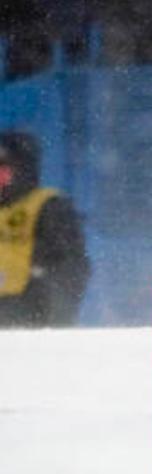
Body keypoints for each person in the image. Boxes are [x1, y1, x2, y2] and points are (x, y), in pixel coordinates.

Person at [0, 131, 90, 327]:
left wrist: (54, 314)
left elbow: (72, 268)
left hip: (31, 318)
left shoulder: (48, 206)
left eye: (3, 170)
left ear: (22, 170)